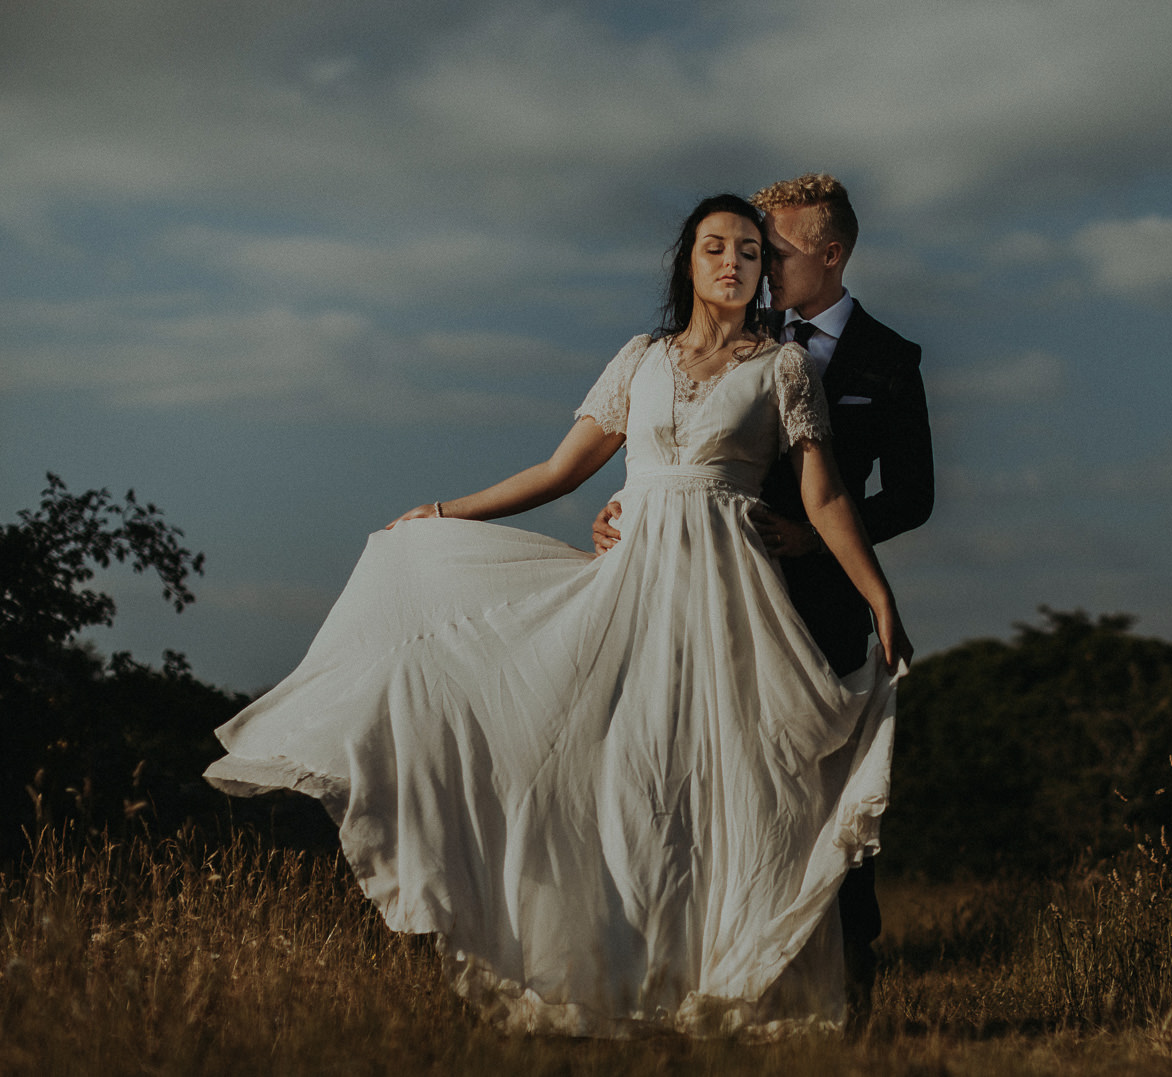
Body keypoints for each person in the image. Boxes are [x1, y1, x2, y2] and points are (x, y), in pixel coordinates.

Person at [204, 194, 911, 1038]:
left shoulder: (782, 369)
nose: (732, 263)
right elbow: (560, 470)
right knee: (622, 777)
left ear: (765, 271)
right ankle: (628, 982)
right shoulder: (639, 358)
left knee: (742, 783)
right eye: (715, 247)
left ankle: (737, 988)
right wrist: (444, 510)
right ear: (687, 261)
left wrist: (878, 594)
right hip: (636, 587)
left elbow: (824, 492)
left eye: (750, 253)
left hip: (732, 596)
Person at [593, 173, 934, 1025]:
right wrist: (630, 507)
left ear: (829, 252)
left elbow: (912, 496)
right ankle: (696, 974)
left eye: (772, 250)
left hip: (817, 606)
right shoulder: (730, 338)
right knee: (686, 787)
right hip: (694, 598)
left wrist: (820, 541)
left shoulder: (891, 361)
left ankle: (840, 988)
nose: (756, 263)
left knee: (811, 797)